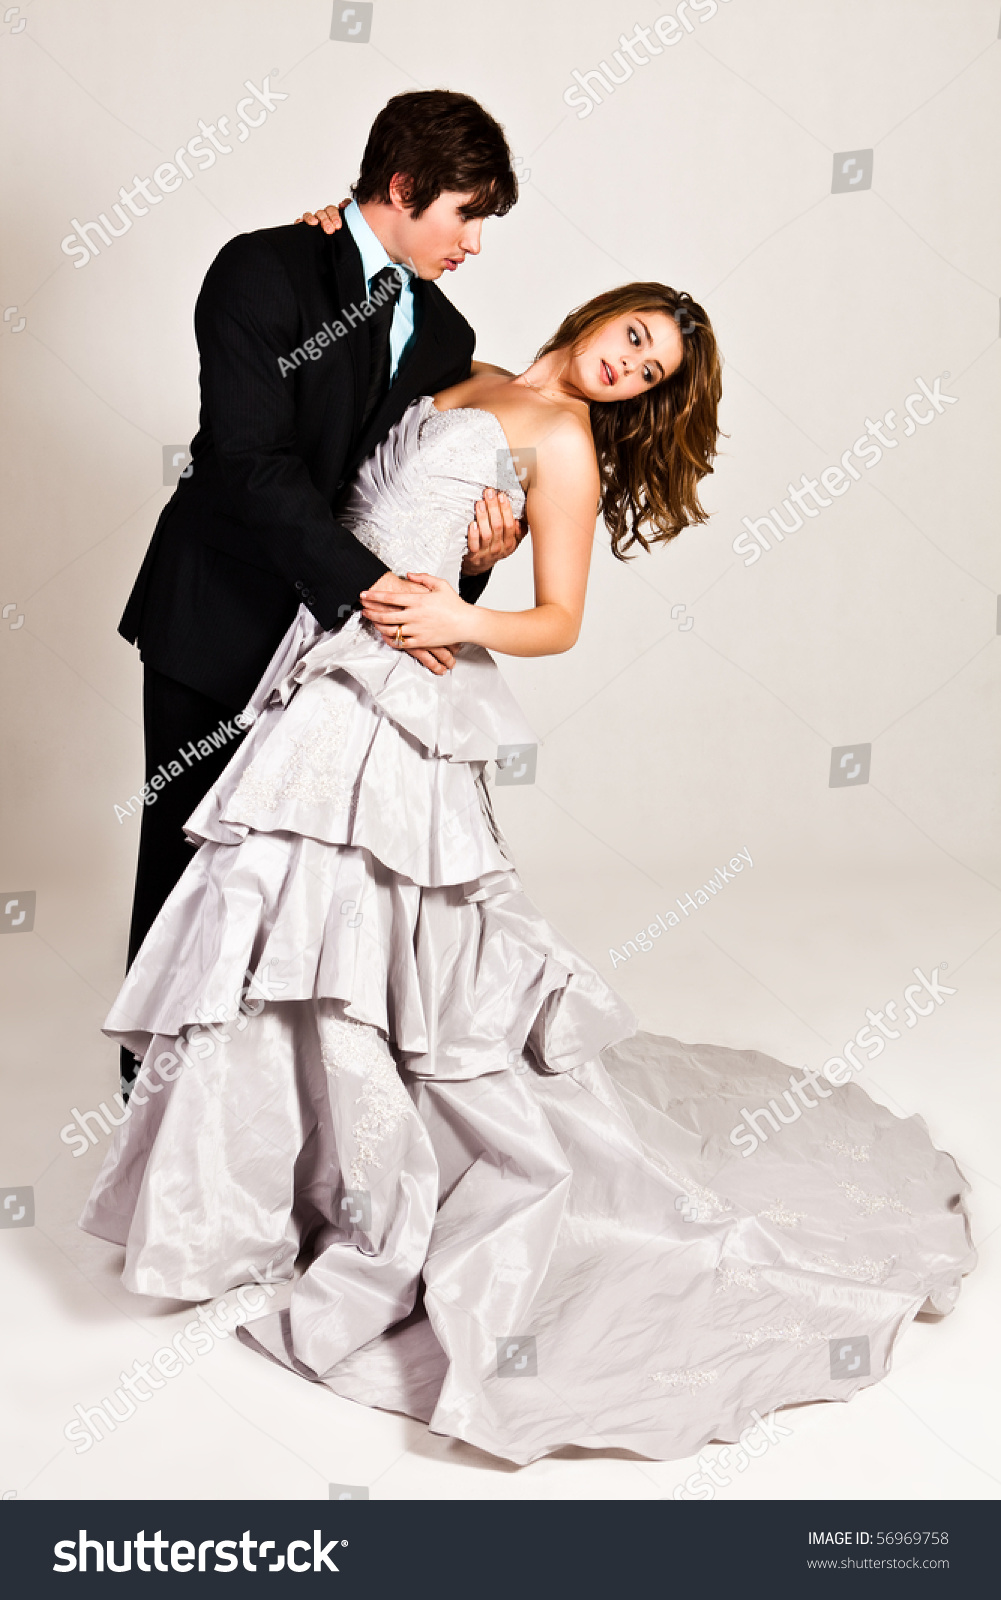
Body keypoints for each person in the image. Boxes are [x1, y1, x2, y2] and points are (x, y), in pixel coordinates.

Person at [81, 281, 974, 1467]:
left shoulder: (560, 443)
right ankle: (257, 1186)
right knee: (283, 908)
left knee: (371, 927)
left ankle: (361, 1177)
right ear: (605, 313)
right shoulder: (468, 369)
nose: (628, 370)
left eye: (650, 373)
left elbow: (560, 619)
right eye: (635, 339)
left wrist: (455, 613)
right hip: (319, 653)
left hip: (396, 674)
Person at [115, 90, 525, 1097]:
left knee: (287, 880)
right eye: (465, 213)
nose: (473, 242)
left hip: (338, 657)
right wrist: (375, 591)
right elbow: (247, 462)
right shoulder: (261, 267)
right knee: (184, 859)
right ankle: (149, 1104)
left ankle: (268, 1111)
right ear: (401, 186)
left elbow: (401, 491)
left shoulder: (443, 330)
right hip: (216, 615)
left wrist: (479, 554)